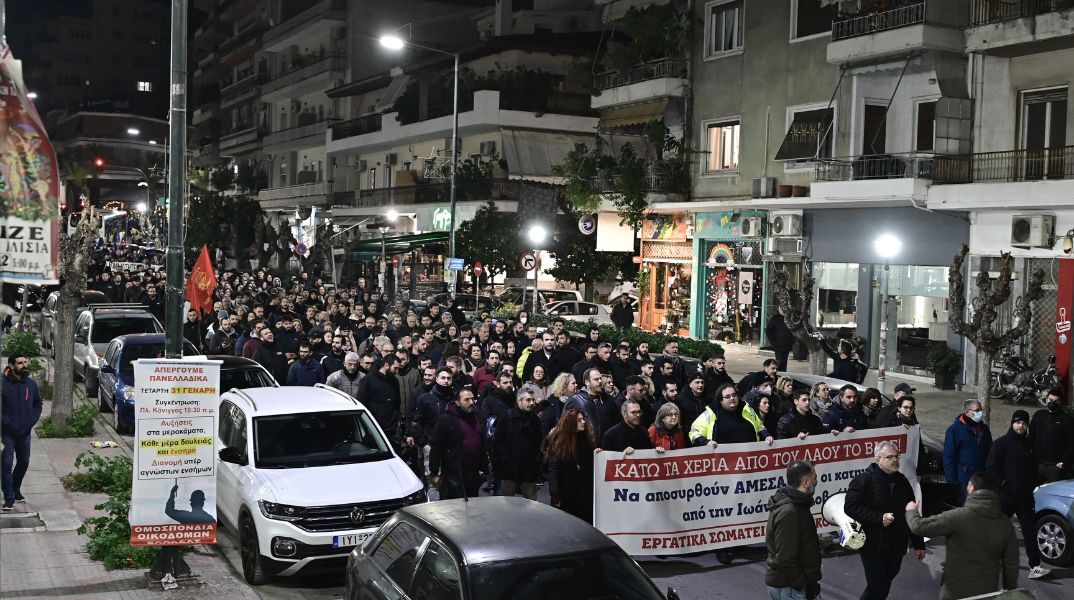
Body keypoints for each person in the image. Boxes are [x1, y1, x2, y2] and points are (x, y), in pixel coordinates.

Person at [905, 472, 1019, 600]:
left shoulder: (958, 516)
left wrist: (911, 511)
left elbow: (919, 527)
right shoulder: (1005, 523)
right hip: (987, 591)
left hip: (955, 590)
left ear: (971, 488)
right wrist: (1010, 590)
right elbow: (1011, 564)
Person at [844, 441, 925, 600]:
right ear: (878, 459)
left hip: (897, 546)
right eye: (889, 457)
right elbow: (851, 507)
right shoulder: (863, 480)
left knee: (884, 586)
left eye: (897, 456)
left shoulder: (902, 481)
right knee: (877, 588)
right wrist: (878, 518)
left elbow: (911, 511)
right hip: (873, 546)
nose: (895, 460)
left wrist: (919, 543)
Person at [987, 410, 1050, 579]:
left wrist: (1035, 483)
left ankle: (1035, 567)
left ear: (1027, 425)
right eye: (1017, 422)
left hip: (1025, 499)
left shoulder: (1031, 445)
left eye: (1023, 423)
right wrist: (1004, 484)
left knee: (1030, 533)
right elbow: (992, 467)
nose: (1020, 425)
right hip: (1005, 498)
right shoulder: (1001, 444)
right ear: (1012, 423)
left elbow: (1034, 469)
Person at [765, 460, 822, 600]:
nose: (816, 481)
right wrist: (801, 584)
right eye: (814, 478)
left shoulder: (797, 506)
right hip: (789, 588)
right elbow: (785, 558)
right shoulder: (790, 513)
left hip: (790, 586)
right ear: (806, 483)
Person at [1, 355, 42, 511]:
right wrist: (5, 422)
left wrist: (31, 420)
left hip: (24, 431)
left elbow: (37, 403)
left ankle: (15, 488)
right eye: (20, 363)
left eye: (25, 362)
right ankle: (9, 498)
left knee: (24, 461)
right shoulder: (3, 383)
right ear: (11, 365)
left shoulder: (30, 383)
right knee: (6, 464)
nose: (24, 365)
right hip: (5, 433)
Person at [429, 388, 486, 500]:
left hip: (474, 472)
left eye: (472, 399)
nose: (471, 402)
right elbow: (436, 447)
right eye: (467, 399)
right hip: (454, 473)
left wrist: (484, 466)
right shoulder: (446, 419)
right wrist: (434, 473)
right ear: (457, 402)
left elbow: (482, 442)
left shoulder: (477, 416)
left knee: (472, 505)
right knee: (453, 508)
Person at [546, 408, 598, 524]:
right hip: (567, 494)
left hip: (585, 493)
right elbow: (553, 470)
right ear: (571, 424)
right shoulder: (559, 444)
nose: (583, 422)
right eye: (579, 420)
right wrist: (555, 494)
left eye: (583, 419)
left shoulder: (588, 441)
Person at [492, 385, 543, 500]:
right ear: (519, 401)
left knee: (531, 507)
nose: (531, 403)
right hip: (509, 471)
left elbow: (539, 443)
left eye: (533, 400)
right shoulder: (507, 416)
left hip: (529, 471)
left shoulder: (535, 420)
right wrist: (506, 459)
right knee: (506, 506)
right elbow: (497, 441)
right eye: (528, 400)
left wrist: (537, 462)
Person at [691, 383, 774, 448]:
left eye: (734, 395)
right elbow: (694, 431)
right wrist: (706, 442)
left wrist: (766, 436)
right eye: (727, 397)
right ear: (721, 400)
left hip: (749, 460)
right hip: (723, 462)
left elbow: (759, 426)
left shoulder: (747, 409)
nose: (732, 398)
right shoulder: (711, 413)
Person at [944, 399, 993, 504]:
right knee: (968, 504)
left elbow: (990, 449)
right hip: (965, 477)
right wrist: (951, 480)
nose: (980, 413)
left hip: (981, 475)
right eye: (977, 410)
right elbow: (949, 456)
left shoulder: (984, 429)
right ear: (967, 412)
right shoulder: (954, 430)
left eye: (981, 410)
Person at [1029, 388, 1074, 483]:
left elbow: (1072, 443)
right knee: (1032, 493)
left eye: (1056, 401)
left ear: (1060, 402)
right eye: (1051, 400)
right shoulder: (1039, 415)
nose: (1053, 403)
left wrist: (1063, 462)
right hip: (1037, 464)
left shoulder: (1067, 419)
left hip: (1055, 467)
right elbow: (1031, 437)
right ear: (1046, 400)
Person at [356, 355, 401, 441]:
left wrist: (396, 421)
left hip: (391, 429)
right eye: (395, 368)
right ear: (386, 365)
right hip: (373, 429)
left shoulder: (395, 381)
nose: (397, 371)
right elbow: (362, 403)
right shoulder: (368, 380)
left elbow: (397, 403)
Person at [567, 367, 618, 441]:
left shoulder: (609, 399)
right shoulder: (576, 400)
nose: (600, 381)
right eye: (596, 379)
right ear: (587, 382)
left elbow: (616, 422)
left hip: (607, 446)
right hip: (585, 445)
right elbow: (566, 425)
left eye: (600, 378)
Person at [540, 372, 577, 438]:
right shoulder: (552, 405)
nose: (576, 385)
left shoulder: (576, 401)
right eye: (573, 383)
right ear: (564, 386)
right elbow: (544, 429)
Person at [765, 307, 795, 372]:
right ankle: (777, 376)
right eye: (782, 309)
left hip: (787, 345)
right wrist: (773, 342)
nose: (784, 311)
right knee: (779, 362)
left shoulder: (789, 319)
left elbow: (793, 331)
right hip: (778, 345)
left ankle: (782, 377)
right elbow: (768, 331)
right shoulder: (775, 319)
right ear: (779, 310)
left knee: (784, 363)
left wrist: (792, 341)